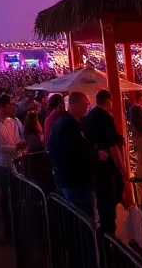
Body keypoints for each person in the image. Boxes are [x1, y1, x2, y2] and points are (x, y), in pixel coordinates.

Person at [83, 90, 128, 235]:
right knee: (109, 199)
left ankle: (103, 228)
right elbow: (112, 146)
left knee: (102, 198)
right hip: (107, 165)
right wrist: (122, 168)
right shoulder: (106, 118)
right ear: (108, 101)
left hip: (94, 165)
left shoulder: (88, 117)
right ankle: (108, 233)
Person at [47, 91, 97, 219]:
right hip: (76, 181)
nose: (87, 107)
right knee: (82, 218)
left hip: (67, 178)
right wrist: (96, 154)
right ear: (75, 105)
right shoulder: (69, 125)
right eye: (85, 104)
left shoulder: (64, 122)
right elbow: (77, 153)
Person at [0, 94, 24, 238]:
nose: (11, 107)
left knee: (15, 193)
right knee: (4, 193)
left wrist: (20, 146)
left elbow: (17, 138)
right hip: (2, 163)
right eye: (8, 105)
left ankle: (17, 221)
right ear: (0, 107)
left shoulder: (12, 122)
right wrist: (15, 147)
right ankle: (7, 225)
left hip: (15, 161)